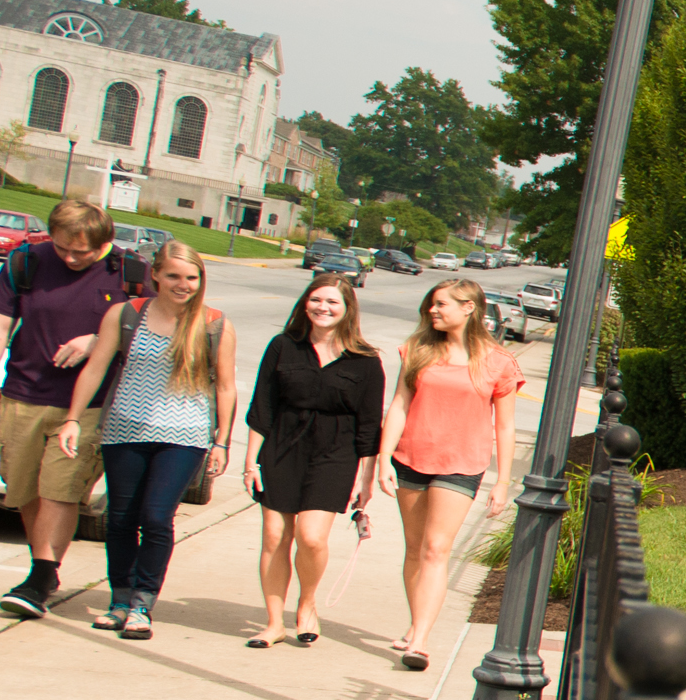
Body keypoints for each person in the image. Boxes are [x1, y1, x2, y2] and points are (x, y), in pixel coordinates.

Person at [0, 195, 146, 619]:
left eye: (80, 251)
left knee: (59, 492)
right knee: (25, 490)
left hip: (90, 407)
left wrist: (99, 340)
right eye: (62, 247)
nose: (69, 258)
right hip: (24, 394)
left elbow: (154, 329)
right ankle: (43, 569)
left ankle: (41, 578)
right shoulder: (25, 262)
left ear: (104, 242)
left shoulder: (131, 274)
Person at [52, 239, 235, 640]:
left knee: (155, 517)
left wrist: (222, 442)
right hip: (125, 430)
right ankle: (119, 599)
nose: (182, 284)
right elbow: (96, 367)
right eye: (173, 275)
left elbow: (225, 387)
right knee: (120, 517)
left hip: (184, 436)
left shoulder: (214, 324)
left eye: (191, 277)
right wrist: (72, 419)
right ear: (155, 274)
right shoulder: (126, 315)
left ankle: (142, 603)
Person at [382, 278, 526, 672]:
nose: (433, 310)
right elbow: (399, 404)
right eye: (431, 304)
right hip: (410, 458)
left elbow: (505, 426)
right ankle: (416, 624)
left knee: (435, 549)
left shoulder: (498, 362)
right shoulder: (417, 350)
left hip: (461, 465)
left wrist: (502, 481)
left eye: (441, 304)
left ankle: (421, 642)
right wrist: (382, 458)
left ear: (469, 308)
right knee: (414, 548)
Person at [244, 275, 387, 648]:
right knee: (275, 536)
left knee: (310, 537)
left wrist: (366, 479)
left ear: (347, 310)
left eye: (332, 302)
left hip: (335, 455)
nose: (323, 308)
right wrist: (250, 463)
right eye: (316, 300)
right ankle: (274, 622)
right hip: (282, 449)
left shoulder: (366, 361)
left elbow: (370, 426)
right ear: (305, 303)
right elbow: (261, 409)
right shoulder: (283, 347)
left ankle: (307, 603)